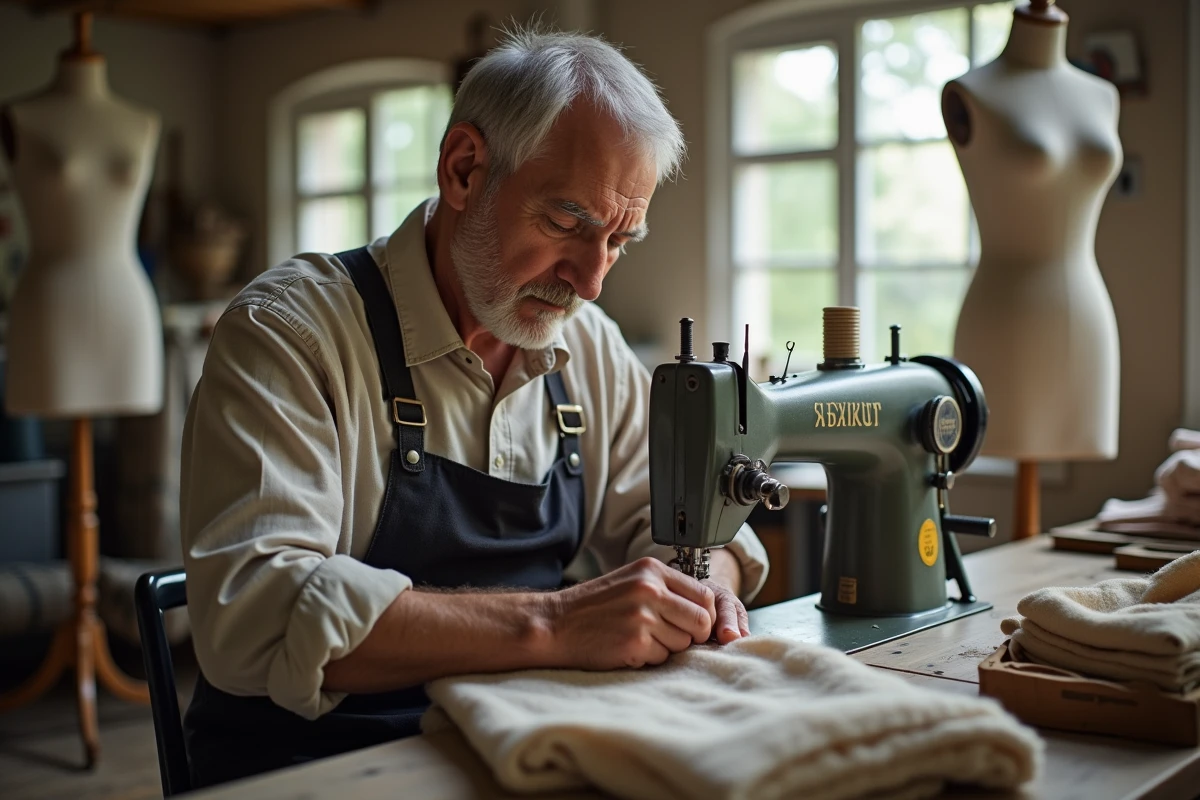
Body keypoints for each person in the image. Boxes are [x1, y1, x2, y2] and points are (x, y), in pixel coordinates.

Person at [179, 26, 769, 788]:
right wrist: (555, 623)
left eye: (620, 240)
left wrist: (705, 582)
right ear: (464, 170)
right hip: (313, 766)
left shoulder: (588, 347)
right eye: (567, 223)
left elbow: (677, 528)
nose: (591, 281)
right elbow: (253, 614)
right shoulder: (291, 334)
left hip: (512, 746)